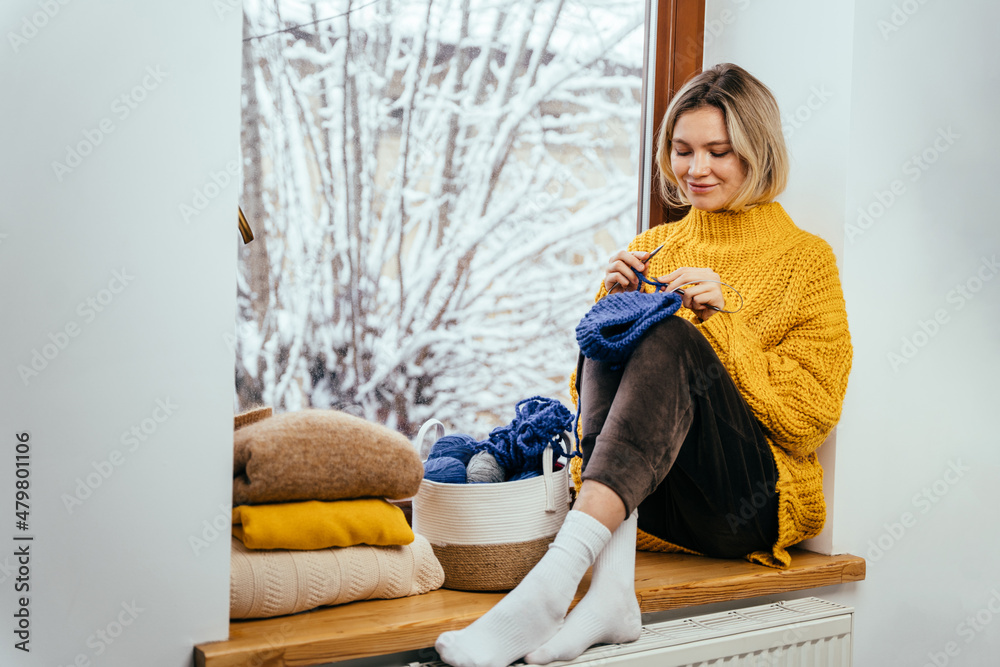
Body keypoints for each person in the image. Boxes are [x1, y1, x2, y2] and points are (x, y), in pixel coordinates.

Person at [435, 62, 852, 667]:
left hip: (749, 504)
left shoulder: (807, 260)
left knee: (670, 338)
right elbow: (596, 409)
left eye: (718, 152)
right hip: (656, 498)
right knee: (623, 328)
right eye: (683, 150)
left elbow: (809, 416)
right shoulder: (654, 246)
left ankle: (549, 591)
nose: (696, 169)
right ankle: (609, 594)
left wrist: (723, 324)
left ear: (758, 152)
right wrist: (608, 309)